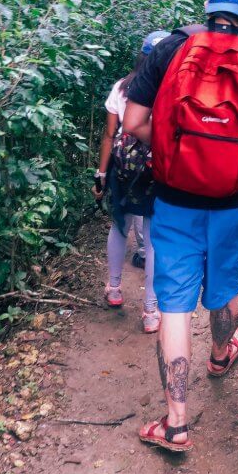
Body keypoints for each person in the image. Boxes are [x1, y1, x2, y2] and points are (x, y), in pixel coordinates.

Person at [123, 0, 238, 452]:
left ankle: (176, 423)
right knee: (225, 287)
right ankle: (221, 354)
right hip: (235, 199)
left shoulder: (170, 49)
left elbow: (133, 121)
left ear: (207, 6)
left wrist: (169, 155)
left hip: (175, 197)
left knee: (175, 304)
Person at [93, 30, 169, 333]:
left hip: (122, 169)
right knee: (152, 240)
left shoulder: (122, 88)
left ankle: (113, 288)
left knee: (120, 226)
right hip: (155, 170)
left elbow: (109, 135)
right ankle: (150, 311)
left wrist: (100, 175)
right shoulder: (170, 90)